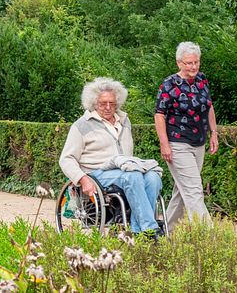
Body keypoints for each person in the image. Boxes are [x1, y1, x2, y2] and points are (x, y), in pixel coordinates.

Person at [59, 77, 163, 234]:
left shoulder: (124, 121)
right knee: (132, 176)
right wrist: (82, 178)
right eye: (103, 103)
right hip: (96, 173)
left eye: (112, 103)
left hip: (124, 170)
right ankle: (149, 229)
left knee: (153, 177)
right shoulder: (81, 125)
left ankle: (136, 230)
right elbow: (66, 159)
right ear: (94, 103)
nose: (108, 107)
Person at [155, 41, 218, 228]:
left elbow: (209, 107)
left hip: (198, 142)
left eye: (196, 62)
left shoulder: (202, 80)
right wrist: (164, 143)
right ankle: (208, 235)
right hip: (177, 143)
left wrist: (214, 133)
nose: (193, 67)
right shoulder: (168, 84)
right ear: (179, 63)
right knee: (193, 190)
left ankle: (167, 231)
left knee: (182, 190)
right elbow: (159, 115)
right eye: (189, 63)